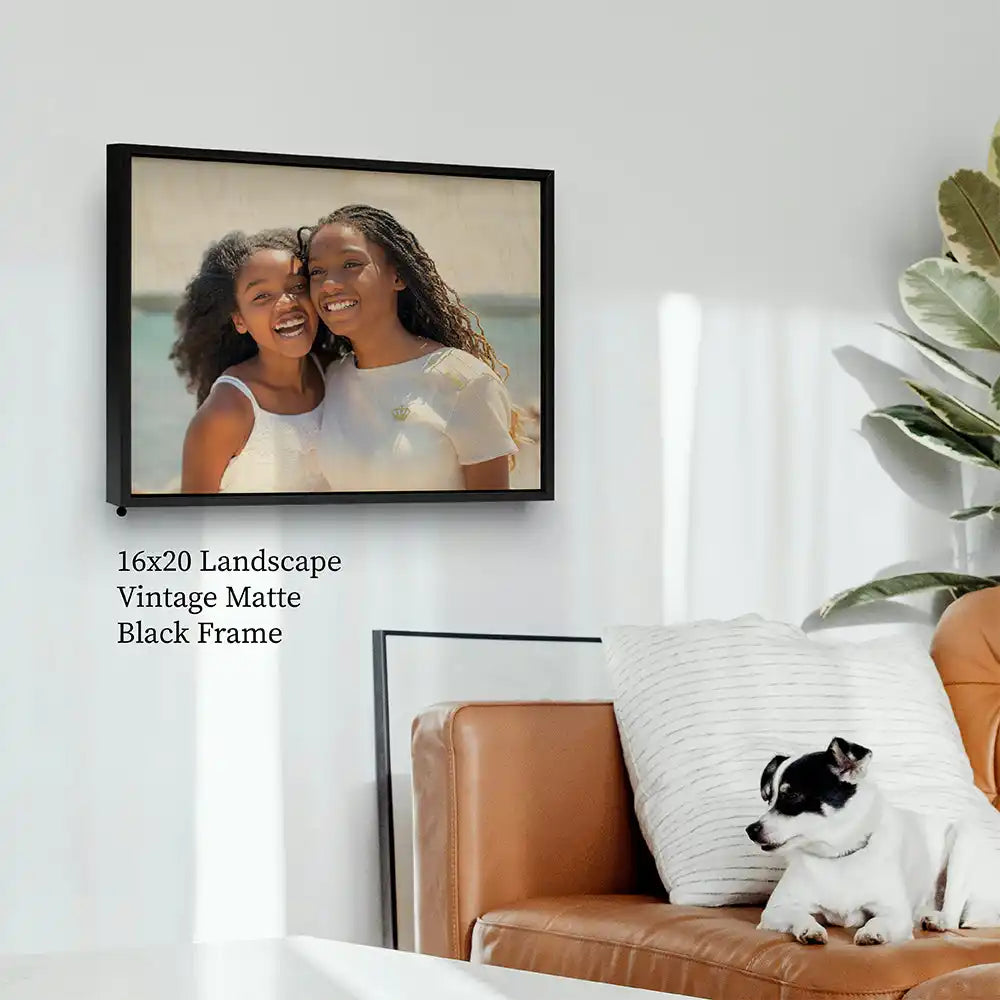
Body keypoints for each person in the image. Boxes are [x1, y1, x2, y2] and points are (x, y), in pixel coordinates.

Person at [301, 204, 519, 491]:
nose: (329, 284)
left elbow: (494, 521)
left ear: (398, 277)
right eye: (317, 271)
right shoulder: (331, 378)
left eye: (351, 264)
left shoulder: (465, 382)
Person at [170, 228, 335, 493]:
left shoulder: (335, 373)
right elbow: (191, 522)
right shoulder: (225, 413)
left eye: (297, 286)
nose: (287, 303)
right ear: (239, 320)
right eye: (261, 296)